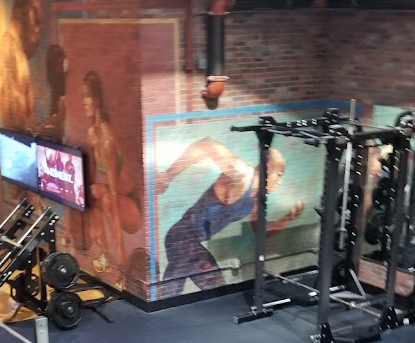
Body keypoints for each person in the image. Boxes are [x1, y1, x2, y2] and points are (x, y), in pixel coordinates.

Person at [155, 138, 304, 296]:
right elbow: (206, 145)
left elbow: (262, 230)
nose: (280, 182)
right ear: (267, 168)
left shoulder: (254, 200)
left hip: (188, 241)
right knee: (208, 287)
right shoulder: (242, 175)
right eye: (279, 174)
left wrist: (288, 218)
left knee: (181, 289)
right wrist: (168, 175)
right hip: (181, 237)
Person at [82, 71, 141, 277]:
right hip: (112, 198)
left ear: (97, 100)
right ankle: (103, 253)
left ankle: (120, 260)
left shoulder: (107, 137)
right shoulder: (92, 134)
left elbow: (114, 195)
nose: (84, 102)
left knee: (106, 197)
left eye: (88, 96)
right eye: (83, 96)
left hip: (131, 208)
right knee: (93, 192)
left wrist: (122, 252)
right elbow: (91, 180)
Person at [0, 0, 43, 131]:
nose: (38, 35)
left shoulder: (15, 48)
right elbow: (19, 126)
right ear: (21, 12)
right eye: (36, 20)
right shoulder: (12, 52)